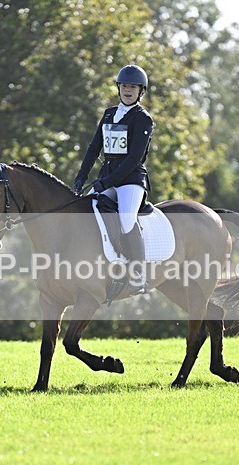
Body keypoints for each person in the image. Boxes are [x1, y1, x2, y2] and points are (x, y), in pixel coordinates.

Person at [74, 64, 154, 295]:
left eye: (133, 87)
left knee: (127, 219)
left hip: (131, 181)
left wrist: (106, 182)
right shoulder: (109, 114)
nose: (128, 90)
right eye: (124, 86)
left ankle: (139, 275)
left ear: (141, 91)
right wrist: (81, 177)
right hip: (107, 179)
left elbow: (133, 159)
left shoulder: (143, 119)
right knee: (84, 212)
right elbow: (93, 148)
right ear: (119, 88)